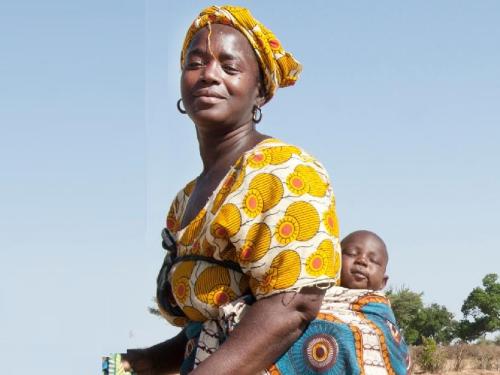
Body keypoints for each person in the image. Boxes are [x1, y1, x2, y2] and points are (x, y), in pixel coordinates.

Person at [122, 6, 409, 375]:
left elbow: (291, 309)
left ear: (260, 93)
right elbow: (213, 323)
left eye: (229, 67)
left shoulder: (285, 170)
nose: (209, 74)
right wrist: (137, 362)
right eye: (196, 63)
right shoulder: (183, 203)